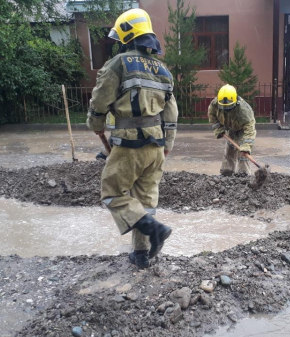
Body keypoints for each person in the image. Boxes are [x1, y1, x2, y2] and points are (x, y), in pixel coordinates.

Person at [86, 9, 178, 268]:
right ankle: (141, 255)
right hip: (156, 146)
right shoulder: (163, 70)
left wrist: (95, 123)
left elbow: (100, 99)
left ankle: (154, 228)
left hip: (129, 145)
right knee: (145, 201)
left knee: (112, 192)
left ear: (128, 36)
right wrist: (168, 144)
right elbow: (171, 112)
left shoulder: (118, 64)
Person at [208, 84, 257, 176]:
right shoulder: (215, 104)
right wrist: (218, 129)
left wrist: (246, 146)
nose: (226, 110)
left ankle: (243, 174)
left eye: (228, 107)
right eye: (224, 107)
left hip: (243, 130)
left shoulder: (244, 111)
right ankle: (227, 172)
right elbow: (212, 114)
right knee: (229, 151)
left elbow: (250, 129)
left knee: (243, 154)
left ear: (235, 102)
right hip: (230, 128)